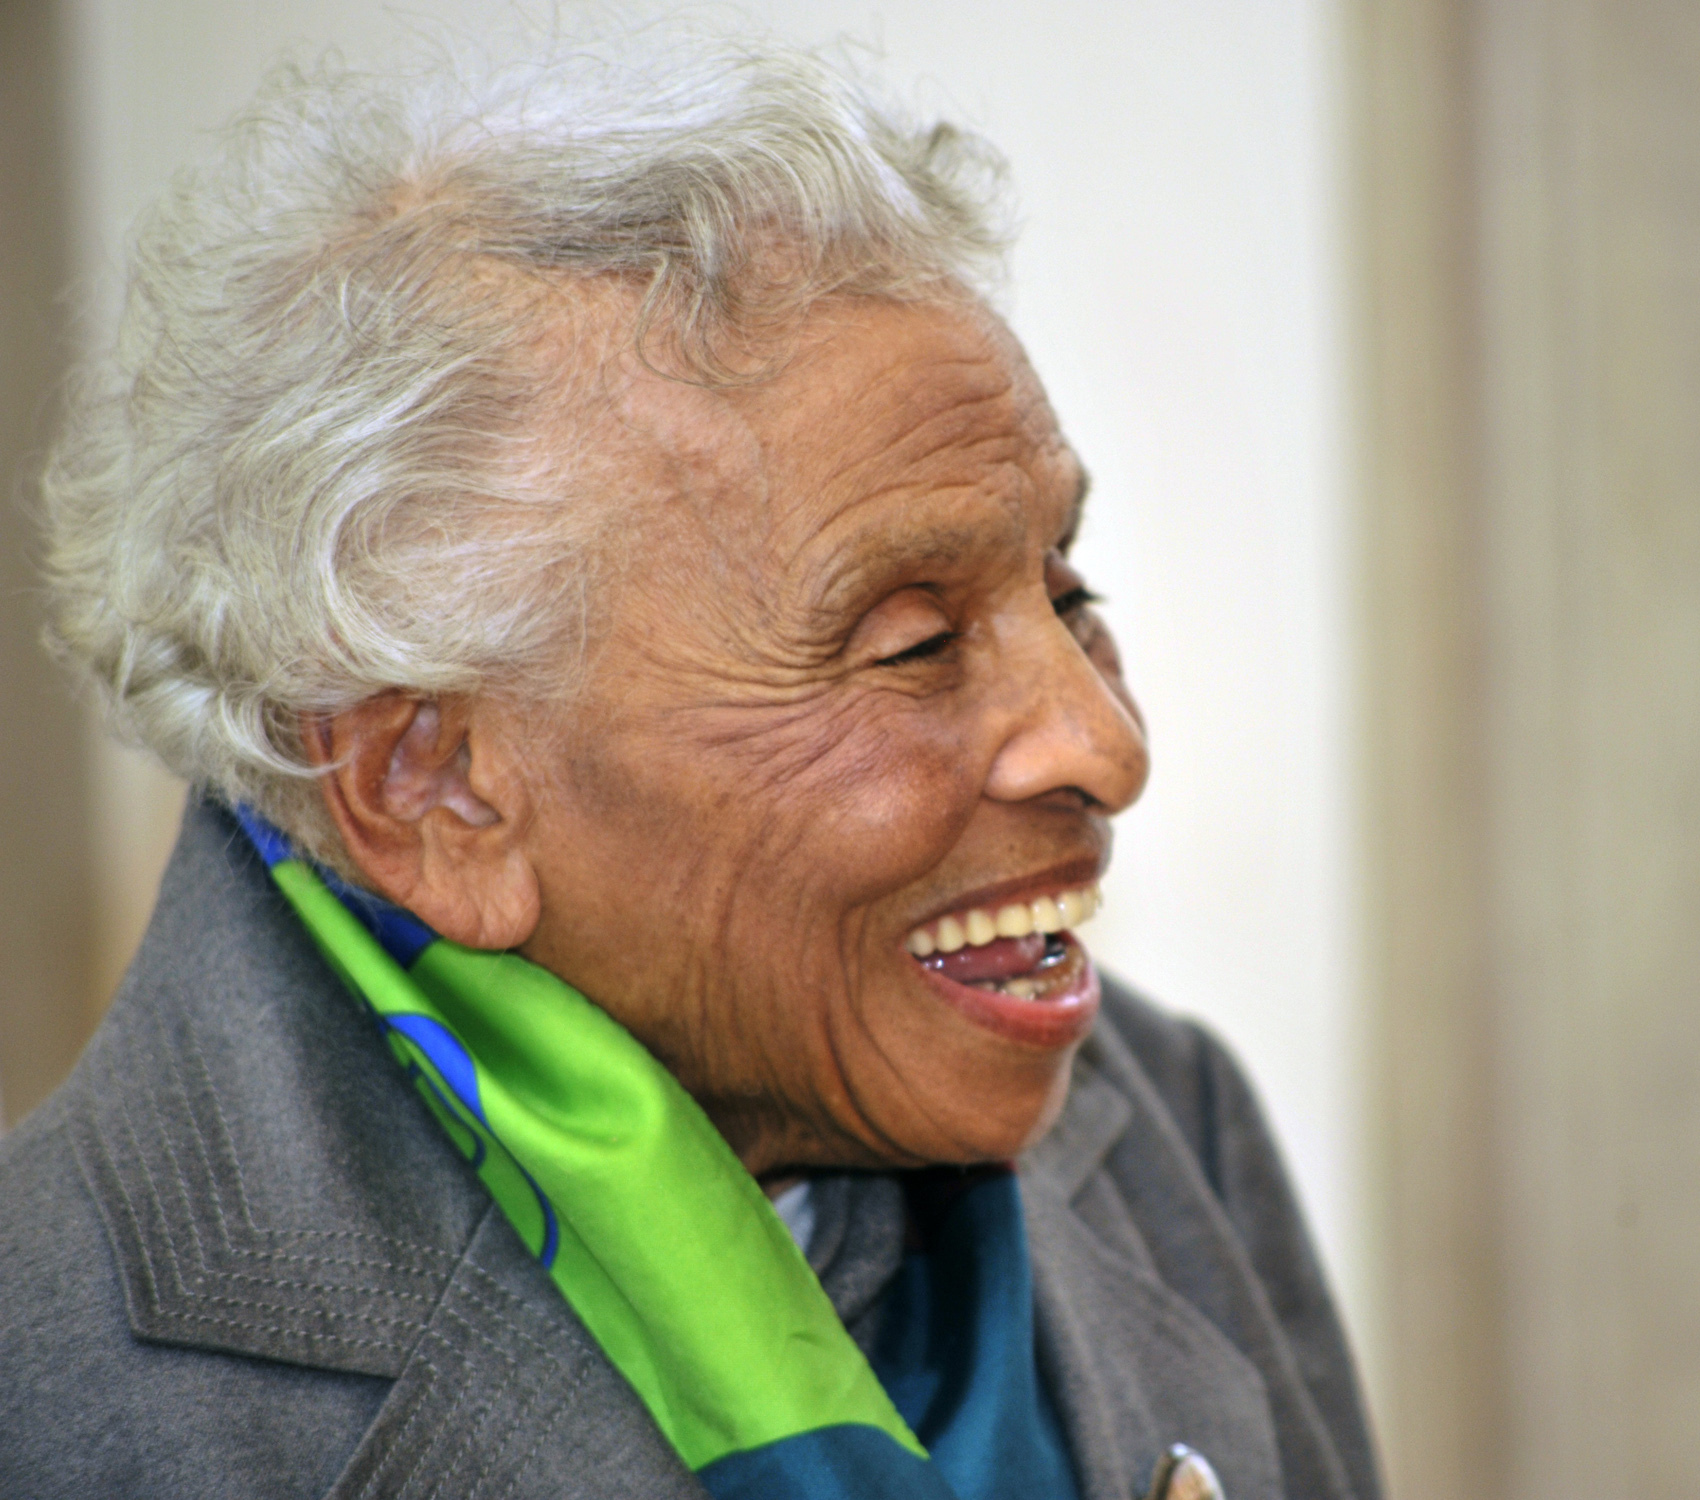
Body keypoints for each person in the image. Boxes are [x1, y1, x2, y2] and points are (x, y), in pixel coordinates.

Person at [0, 29, 1379, 1500]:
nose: (1104, 746)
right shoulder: (64, 1393)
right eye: (909, 645)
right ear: (436, 790)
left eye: (1067, 591)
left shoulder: (1168, 1121)